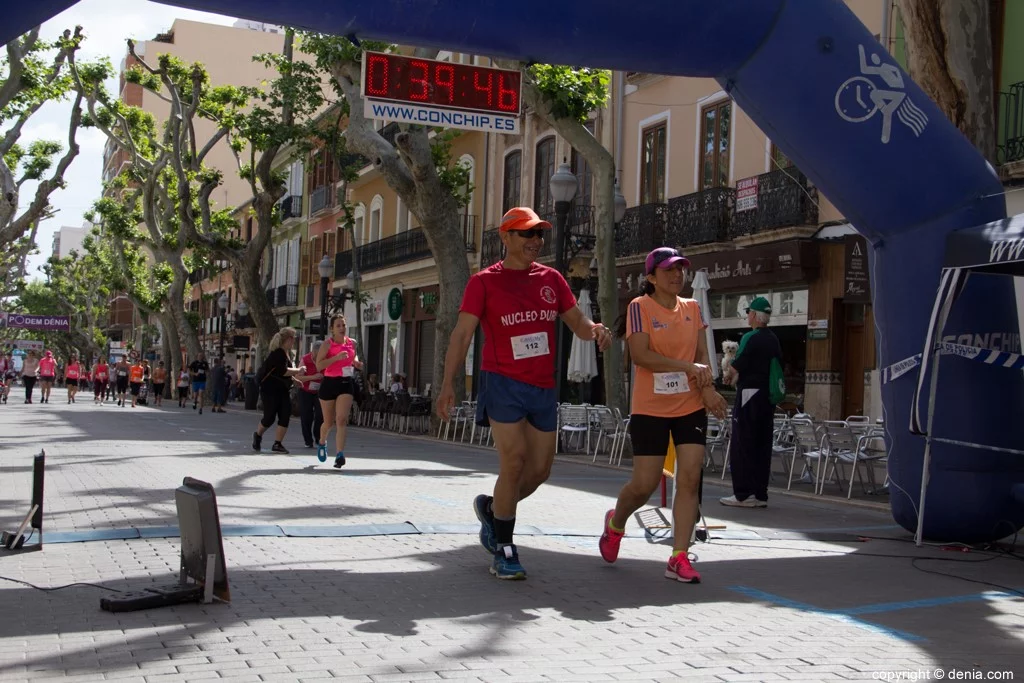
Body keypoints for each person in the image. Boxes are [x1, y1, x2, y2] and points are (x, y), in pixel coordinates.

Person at [436, 206, 613, 580]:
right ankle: (504, 548)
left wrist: (595, 329)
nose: (536, 241)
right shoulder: (483, 282)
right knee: (513, 462)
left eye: (539, 234)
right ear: (506, 237)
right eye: (527, 234)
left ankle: (492, 510)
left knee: (540, 470)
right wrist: (448, 383)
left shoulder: (552, 279)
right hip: (502, 381)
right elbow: (462, 335)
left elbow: (577, 323)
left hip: (542, 385)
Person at [598, 247, 728, 584]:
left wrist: (708, 388)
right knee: (643, 485)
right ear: (651, 277)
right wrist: (688, 367)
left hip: (689, 404)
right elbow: (641, 355)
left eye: (681, 269)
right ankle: (616, 523)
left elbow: (703, 355)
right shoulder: (639, 308)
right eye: (669, 270)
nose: (677, 276)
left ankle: (678, 556)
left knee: (688, 480)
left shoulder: (694, 308)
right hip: (650, 407)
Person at [720, 296, 784, 508]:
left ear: (755, 315)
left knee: (742, 442)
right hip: (768, 396)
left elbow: (738, 364)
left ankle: (742, 494)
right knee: (762, 444)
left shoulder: (750, 337)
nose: (747, 315)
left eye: (749, 312)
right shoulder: (773, 338)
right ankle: (759, 494)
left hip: (749, 394)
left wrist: (727, 376)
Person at [316, 316, 363, 467]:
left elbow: (353, 356)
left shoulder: (352, 343)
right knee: (328, 422)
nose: (342, 328)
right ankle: (322, 442)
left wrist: (356, 362)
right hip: (329, 383)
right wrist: (335, 358)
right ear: (332, 329)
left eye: (343, 325)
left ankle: (339, 454)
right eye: (338, 326)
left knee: (342, 419)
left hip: (345, 383)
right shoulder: (327, 345)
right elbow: (319, 366)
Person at [252, 327, 302, 454]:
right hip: (269, 390)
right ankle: (258, 435)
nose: (294, 341)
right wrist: (299, 371)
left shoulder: (286, 354)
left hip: (282, 390)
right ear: (289, 339)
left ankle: (277, 443)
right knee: (269, 417)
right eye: (293, 338)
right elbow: (283, 371)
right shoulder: (277, 353)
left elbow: (281, 372)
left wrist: (295, 380)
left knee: (285, 414)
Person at [296, 340, 325, 449]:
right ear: (313, 352)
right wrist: (312, 377)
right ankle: (308, 440)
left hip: (319, 391)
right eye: (317, 356)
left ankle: (318, 437)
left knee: (320, 415)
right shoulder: (305, 359)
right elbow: (298, 377)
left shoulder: (325, 360)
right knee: (306, 416)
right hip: (305, 391)